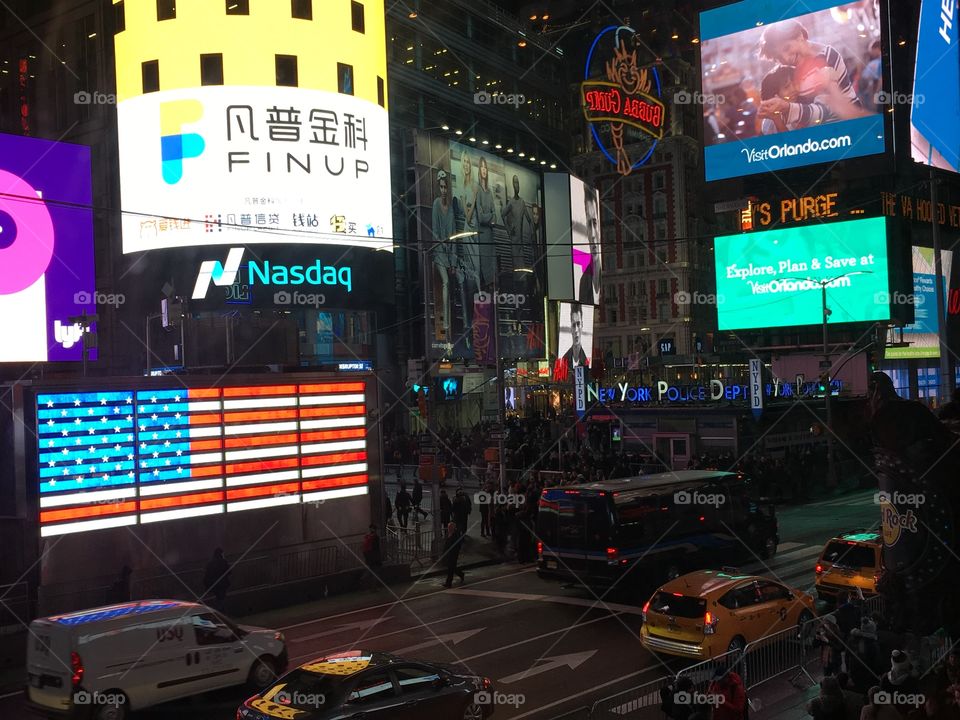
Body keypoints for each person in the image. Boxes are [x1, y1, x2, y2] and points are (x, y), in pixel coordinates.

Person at [758, 19, 867, 127]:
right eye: (778, 57)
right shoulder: (796, 67)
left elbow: (824, 112)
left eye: (787, 48)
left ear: (800, 36)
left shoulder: (826, 58)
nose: (786, 59)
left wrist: (787, 108)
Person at [431, 169, 459, 343]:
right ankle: (446, 325)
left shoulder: (450, 210)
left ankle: (451, 323)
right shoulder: (435, 205)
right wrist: (442, 244)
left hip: (449, 254)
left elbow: (454, 234)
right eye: (441, 187)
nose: (443, 190)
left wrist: (454, 260)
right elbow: (434, 230)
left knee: (453, 284)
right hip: (439, 253)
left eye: (445, 187)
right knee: (446, 282)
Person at [470, 155, 496, 290]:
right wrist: (490, 216)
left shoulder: (490, 192)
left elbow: (495, 217)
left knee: (493, 276)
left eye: (486, 167)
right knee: (485, 276)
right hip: (482, 236)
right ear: (479, 170)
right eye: (482, 167)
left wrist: (490, 216)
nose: (484, 170)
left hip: (490, 238)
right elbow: (481, 217)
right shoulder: (477, 189)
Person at [576, 186, 601, 305]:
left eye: (595, 223)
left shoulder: (602, 273)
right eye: (588, 224)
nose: (592, 234)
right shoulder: (584, 279)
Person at [562, 302, 590, 368]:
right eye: (574, 325)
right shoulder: (564, 359)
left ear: (582, 324)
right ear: (571, 327)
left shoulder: (587, 358)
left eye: (578, 324)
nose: (576, 330)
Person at [441, 522, 465, 588]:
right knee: (452, 567)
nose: (449, 529)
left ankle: (448, 583)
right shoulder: (448, 534)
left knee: (450, 568)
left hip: (453, 554)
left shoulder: (456, 535)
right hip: (448, 553)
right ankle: (461, 574)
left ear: (453, 528)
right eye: (448, 527)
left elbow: (457, 545)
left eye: (450, 527)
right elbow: (446, 544)